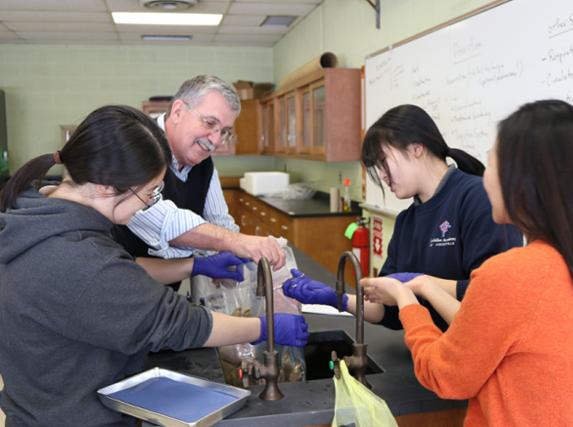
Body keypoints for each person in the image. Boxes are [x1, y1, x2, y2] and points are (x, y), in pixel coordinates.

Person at [0, 105, 308, 426]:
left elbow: (121, 271)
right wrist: (265, 327)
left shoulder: (40, 212)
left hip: (36, 405)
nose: (149, 203)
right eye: (149, 193)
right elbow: (177, 323)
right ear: (107, 185)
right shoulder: (79, 260)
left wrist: (194, 267)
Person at [361, 100, 573, 425]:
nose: (484, 176)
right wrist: (423, 285)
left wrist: (407, 300)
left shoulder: (515, 273)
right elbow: (492, 331)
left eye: (492, 164)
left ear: (524, 181)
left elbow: (443, 374)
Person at [283, 104, 522, 330]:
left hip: (474, 360)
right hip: (427, 355)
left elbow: (492, 294)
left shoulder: (479, 199)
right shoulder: (407, 221)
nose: (382, 176)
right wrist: (338, 299)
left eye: (383, 162)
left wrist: (420, 282)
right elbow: (386, 310)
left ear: (416, 148)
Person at [112, 75, 285, 291]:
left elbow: (220, 221)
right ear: (177, 112)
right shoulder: (138, 145)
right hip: (115, 288)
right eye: (210, 123)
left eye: (224, 132)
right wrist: (235, 241)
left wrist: (238, 258)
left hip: (161, 291)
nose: (215, 140)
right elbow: (166, 222)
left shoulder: (202, 162)